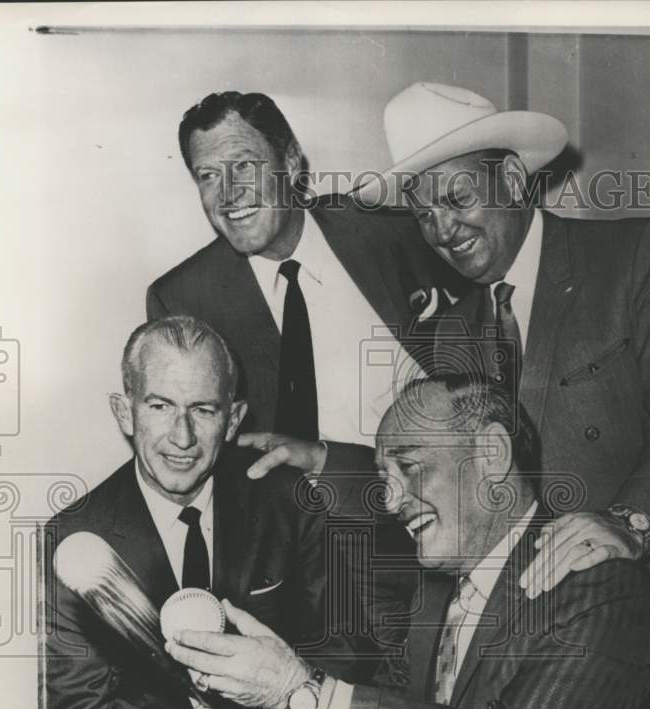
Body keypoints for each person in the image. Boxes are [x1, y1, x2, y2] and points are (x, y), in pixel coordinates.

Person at [356, 81, 650, 709]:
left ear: (513, 177)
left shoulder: (639, 257)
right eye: (422, 215)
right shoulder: (447, 331)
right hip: (520, 665)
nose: (442, 231)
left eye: (456, 199)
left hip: (648, 641)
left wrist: (630, 525)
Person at [165, 375, 650, 709]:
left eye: (410, 468)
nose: (390, 500)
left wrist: (297, 692)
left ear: (492, 454)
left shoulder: (600, 584)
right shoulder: (436, 595)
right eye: (382, 479)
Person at [44, 316, 368, 709]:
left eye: (203, 410)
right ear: (124, 411)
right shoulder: (72, 540)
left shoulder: (288, 501)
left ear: (233, 419)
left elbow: (344, 646)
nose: (182, 437)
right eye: (159, 406)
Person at [146, 90, 447, 480]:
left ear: (289, 163)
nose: (227, 194)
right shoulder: (183, 300)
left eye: (243, 166)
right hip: (293, 529)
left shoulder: (386, 231)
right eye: (208, 176)